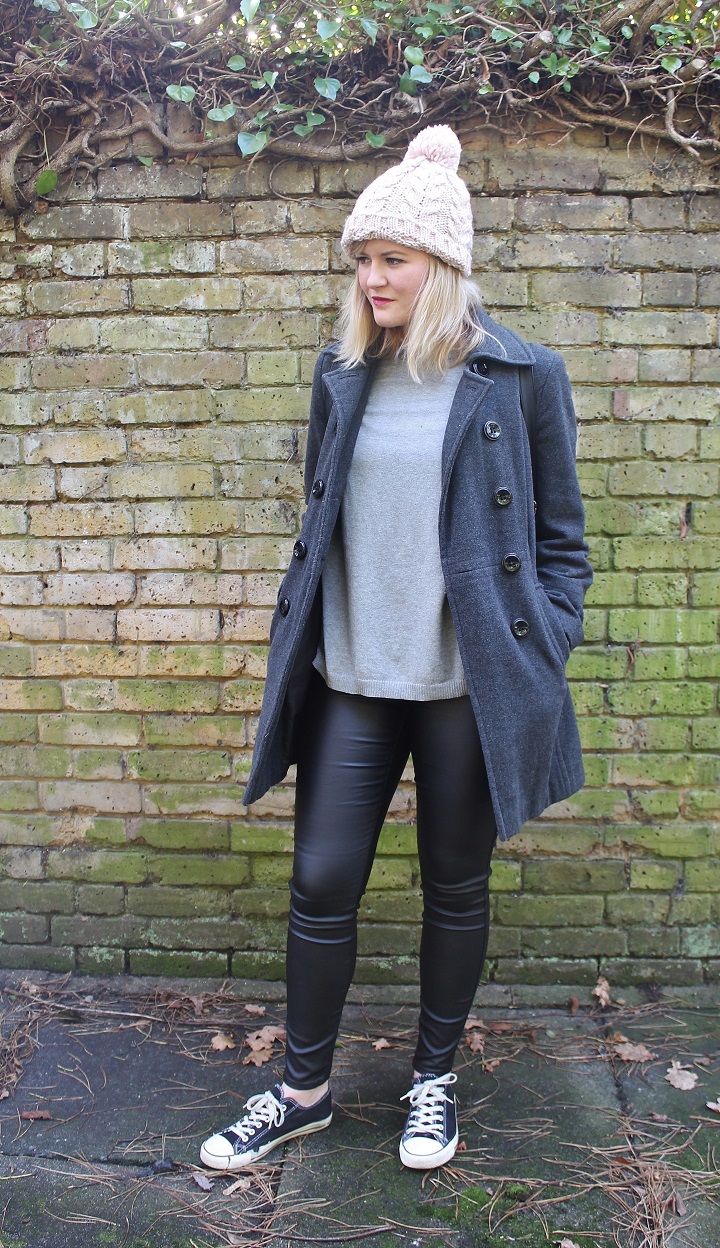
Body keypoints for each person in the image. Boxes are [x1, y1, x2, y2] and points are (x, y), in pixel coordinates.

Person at [200, 125, 593, 1173]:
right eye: (363, 259)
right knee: (322, 881)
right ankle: (303, 1091)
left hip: (469, 685)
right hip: (352, 678)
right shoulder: (342, 374)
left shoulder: (522, 377)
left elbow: (563, 539)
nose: (373, 278)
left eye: (393, 259)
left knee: (454, 885)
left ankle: (433, 1082)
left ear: (443, 266)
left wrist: (545, 639)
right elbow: (323, 515)